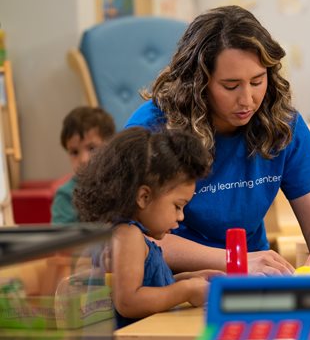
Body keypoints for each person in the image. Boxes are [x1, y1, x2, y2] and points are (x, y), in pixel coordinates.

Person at [125, 5, 310, 274]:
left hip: (251, 277)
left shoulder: (282, 124)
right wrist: (233, 260)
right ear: (197, 83)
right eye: (230, 86)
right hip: (168, 281)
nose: (247, 100)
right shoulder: (152, 128)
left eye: (257, 81)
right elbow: (129, 238)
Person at [73, 127, 224, 329]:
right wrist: (186, 290)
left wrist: (188, 279)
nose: (181, 216)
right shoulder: (128, 236)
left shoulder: (128, 234)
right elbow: (128, 301)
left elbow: (147, 285)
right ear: (144, 197)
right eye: (177, 206)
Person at [51, 106, 116, 224]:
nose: (83, 160)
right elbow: (63, 239)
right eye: (74, 152)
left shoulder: (123, 185)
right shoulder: (66, 196)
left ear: (110, 147)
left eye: (92, 148)